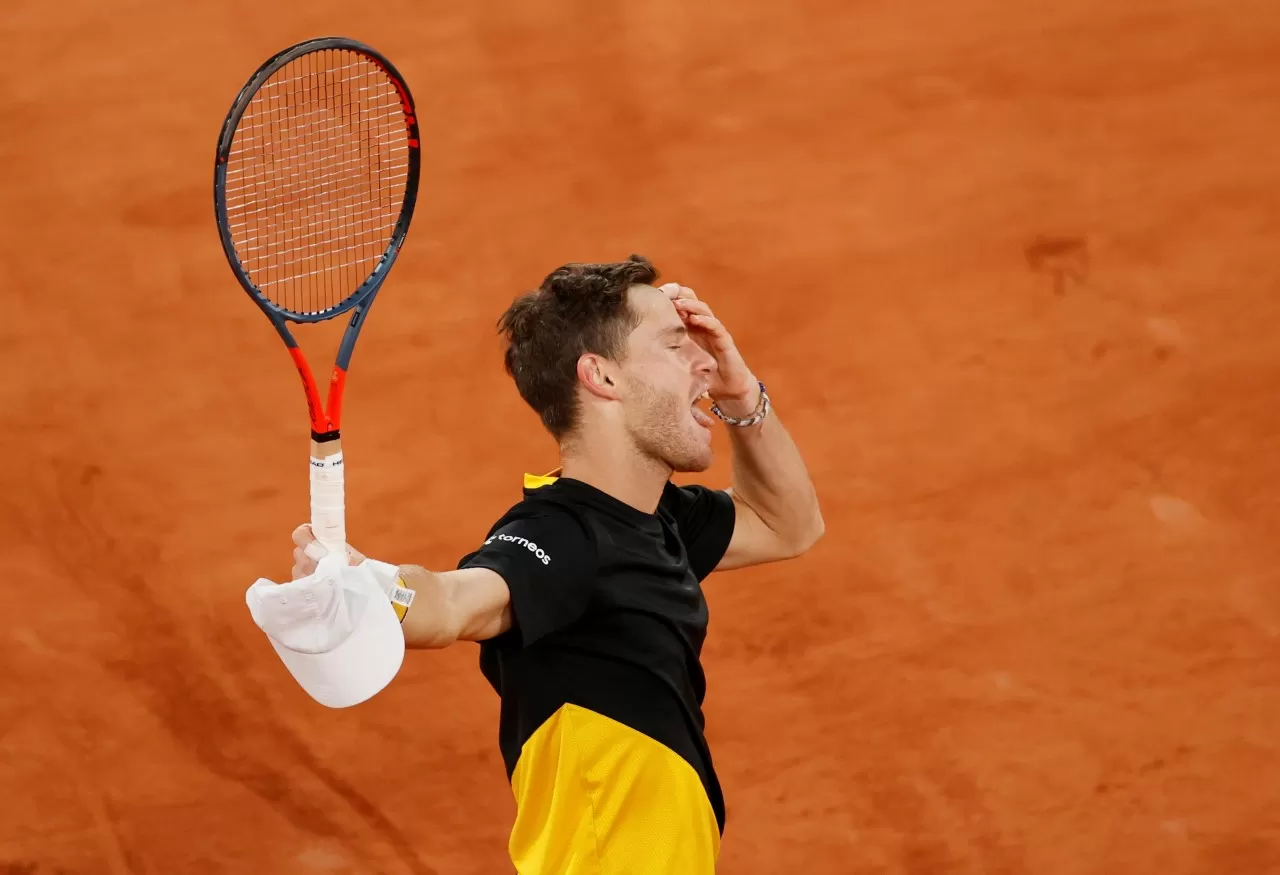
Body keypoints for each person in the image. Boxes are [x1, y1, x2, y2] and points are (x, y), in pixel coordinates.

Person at [285, 255, 823, 874]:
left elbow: (788, 525)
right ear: (602, 377)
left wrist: (740, 393)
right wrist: (373, 587)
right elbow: (458, 602)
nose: (705, 358)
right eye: (676, 346)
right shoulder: (563, 535)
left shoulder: (655, 519)